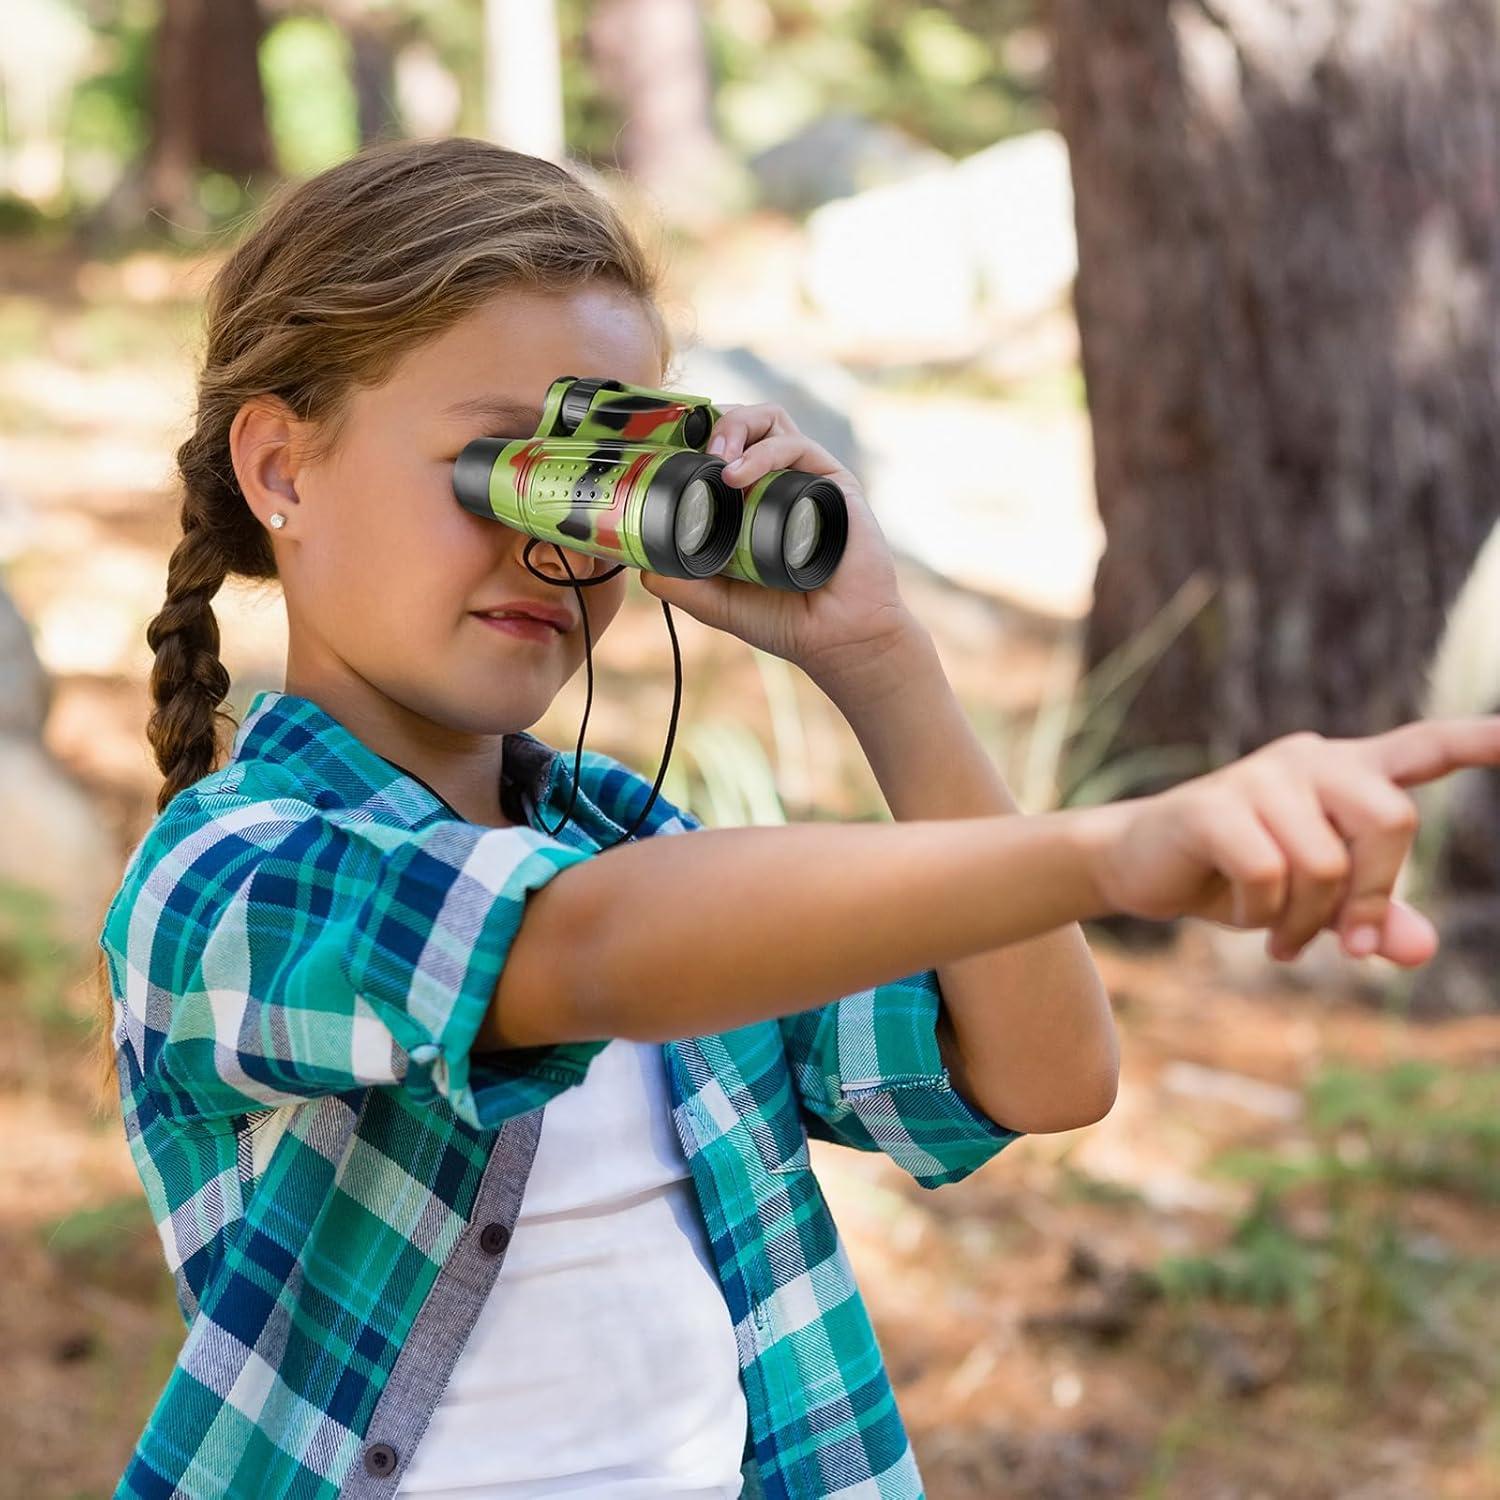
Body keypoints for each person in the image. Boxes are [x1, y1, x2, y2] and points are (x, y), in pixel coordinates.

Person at [94, 137, 1500, 1500]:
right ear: (282, 470)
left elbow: (1043, 1071)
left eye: (605, 484)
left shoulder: (641, 848)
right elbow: (578, 957)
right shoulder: (224, 877)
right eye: (498, 464)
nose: (555, 541)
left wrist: (877, 659)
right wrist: (1110, 848)